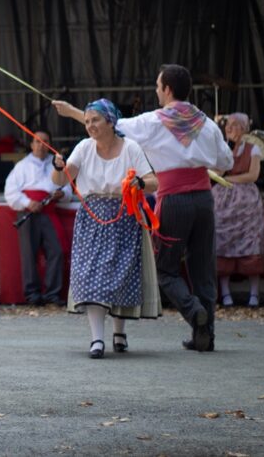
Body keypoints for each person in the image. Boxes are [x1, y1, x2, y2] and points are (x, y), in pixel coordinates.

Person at [54, 64, 233, 352]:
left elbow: (115, 127)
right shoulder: (207, 123)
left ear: (167, 90)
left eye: (158, 86)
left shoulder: (154, 121)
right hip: (203, 198)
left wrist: (73, 112)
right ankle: (206, 332)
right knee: (203, 269)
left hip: (174, 198)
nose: (156, 91)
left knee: (167, 270)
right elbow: (226, 163)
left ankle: (192, 309)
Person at [50, 99, 160, 359]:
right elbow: (62, 179)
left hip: (124, 219)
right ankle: (96, 339)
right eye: (86, 121)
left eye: (95, 120)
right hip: (91, 219)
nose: (90, 126)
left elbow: (153, 181)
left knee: (119, 277)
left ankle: (118, 331)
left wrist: (139, 183)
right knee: (90, 278)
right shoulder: (84, 147)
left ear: (111, 121)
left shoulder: (130, 147)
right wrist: (58, 167)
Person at [3, 131, 69, 306]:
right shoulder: (22, 166)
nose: (41, 145)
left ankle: (52, 295)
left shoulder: (57, 165)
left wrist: (62, 194)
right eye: (38, 142)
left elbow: (67, 187)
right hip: (29, 212)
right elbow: (10, 192)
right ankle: (32, 295)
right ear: (32, 145)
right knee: (29, 254)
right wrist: (27, 202)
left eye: (45, 142)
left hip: (49, 211)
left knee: (56, 251)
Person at [212, 113, 264, 308]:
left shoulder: (253, 149)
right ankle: (226, 293)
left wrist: (230, 180)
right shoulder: (222, 149)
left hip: (246, 198)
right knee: (222, 241)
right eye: (228, 125)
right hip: (223, 198)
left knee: (250, 241)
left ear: (244, 129)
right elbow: (216, 173)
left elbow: (253, 175)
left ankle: (254, 293)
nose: (230, 128)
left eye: (235, 125)